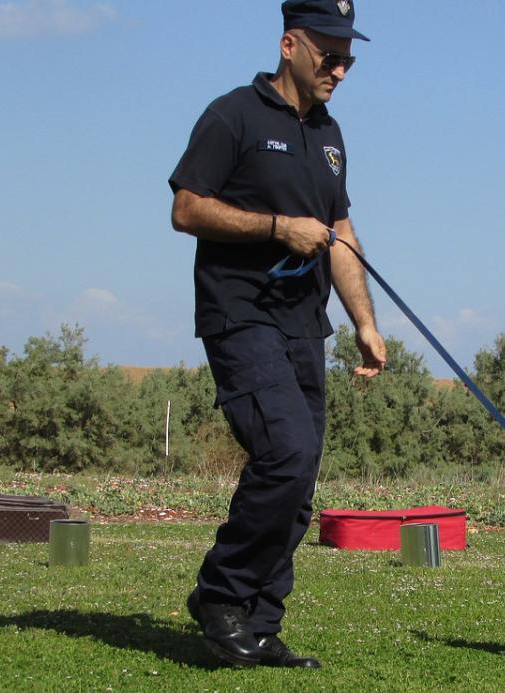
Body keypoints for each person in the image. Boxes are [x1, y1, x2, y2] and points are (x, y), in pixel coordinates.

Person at [167, 0, 385, 670]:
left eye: (349, 57)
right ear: (291, 43)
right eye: (330, 54)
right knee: (285, 453)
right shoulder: (232, 114)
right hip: (240, 316)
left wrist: (366, 323)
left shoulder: (330, 135)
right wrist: (274, 227)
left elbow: (342, 235)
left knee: (301, 478)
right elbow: (185, 208)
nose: (341, 69)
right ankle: (221, 595)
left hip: (303, 325)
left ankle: (259, 623)